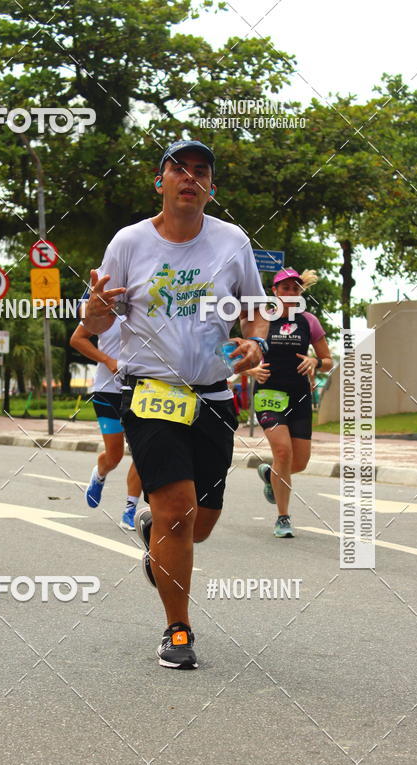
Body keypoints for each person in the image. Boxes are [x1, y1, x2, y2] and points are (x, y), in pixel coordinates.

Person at [83, 139, 269, 669]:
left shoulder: (233, 241)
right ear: (159, 182)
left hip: (213, 395)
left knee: (202, 522)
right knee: (175, 511)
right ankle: (177, 629)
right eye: (178, 169)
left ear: (211, 187)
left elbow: (255, 310)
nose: (189, 177)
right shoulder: (129, 242)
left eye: (200, 171)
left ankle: (153, 534)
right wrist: (98, 309)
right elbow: (95, 324)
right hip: (150, 393)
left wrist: (254, 340)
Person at [251, 267, 332, 538]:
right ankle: (283, 518)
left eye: (295, 289)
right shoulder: (262, 318)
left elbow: (327, 360)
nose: (290, 293)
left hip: (299, 395)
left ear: (300, 293)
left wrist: (315, 362)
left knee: (299, 463)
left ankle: (270, 474)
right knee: (283, 453)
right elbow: (234, 349)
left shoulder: (309, 321)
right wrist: (248, 370)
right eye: (284, 288)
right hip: (268, 394)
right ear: (274, 292)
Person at [70, 314, 142, 529]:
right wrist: (107, 360)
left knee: (141, 452)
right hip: (107, 390)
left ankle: (130, 510)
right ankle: (100, 474)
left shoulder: (146, 304)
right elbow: (77, 339)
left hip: (141, 389)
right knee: (114, 455)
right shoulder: (104, 308)